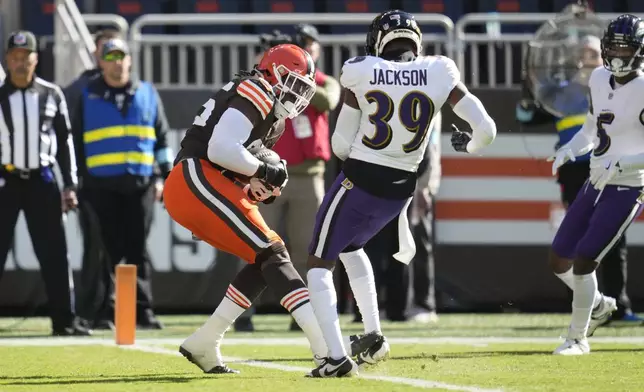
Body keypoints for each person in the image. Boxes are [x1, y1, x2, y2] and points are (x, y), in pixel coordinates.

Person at [305, 9, 497, 377]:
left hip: (360, 178)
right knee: (350, 248)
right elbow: (485, 130)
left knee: (317, 263)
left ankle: (334, 357)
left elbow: (341, 143)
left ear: (379, 41)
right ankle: (374, 337)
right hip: (401, 189)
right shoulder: (440, 71)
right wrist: (467, 145)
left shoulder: (359, 70)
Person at [163, 44, 374, 374]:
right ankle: (327, 351)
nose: (299, 95)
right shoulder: (257, 88)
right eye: (295, 83)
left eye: (304, 87)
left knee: (266, 260)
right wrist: (262, 170)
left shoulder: (273, 118)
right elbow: (220, 149)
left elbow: (235, 164)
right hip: (193, 177)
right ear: (273, 73)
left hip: (202, 184)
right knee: (273, 253)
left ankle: (206, 340)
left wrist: (258, 182)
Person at [519, 34, 639, 323]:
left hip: (621, 172)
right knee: (570, 246)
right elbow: (526, 116)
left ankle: (615, 306)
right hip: (579, 170)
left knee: (610, 243)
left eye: (592, 52)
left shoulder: (631, 87)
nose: (589, 58)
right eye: (584, 53)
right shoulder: (569, 89)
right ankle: (591, 303)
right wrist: (527, 92)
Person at [549, 14, 644, 355]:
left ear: (639, 51)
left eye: (625, 47)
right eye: (614, 46)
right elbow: (591, 128)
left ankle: (577, 338)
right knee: (559, 259)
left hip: (628, 185)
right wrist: (569, 149)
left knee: (586, 259)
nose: (618, 54)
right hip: (595, 179)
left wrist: (624, 162)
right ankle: (601, 304)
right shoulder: (599, 78)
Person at [236, 24, 341, 332]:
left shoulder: (323, 82)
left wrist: (296, 79)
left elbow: (327, 100)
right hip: (265, 175)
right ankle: (241, 312)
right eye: (299, 46)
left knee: (307, 249)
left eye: (310, 45)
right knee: (253, 243)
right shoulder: (268, 82)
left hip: (309, 177)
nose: (307, 51)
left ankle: (305, 314)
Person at [71, 38, 171, 329]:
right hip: (99, 187)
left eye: (121, 56)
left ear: (130, 60)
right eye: (110, 56)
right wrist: (78, 183)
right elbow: (75, 143)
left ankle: (142, 312)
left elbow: (162, 140)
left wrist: (164, 177)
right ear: (100, 62)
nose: (116, 62)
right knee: (106, 253)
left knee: (137, 250)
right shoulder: (87, 96)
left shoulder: (148, 93)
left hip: (140, 185)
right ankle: (105, 312)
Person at [0, 31, 90, 336]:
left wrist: (70, 185)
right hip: (5, 182)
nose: (20, 63)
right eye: (15, 57)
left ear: (36, 59)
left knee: (55, 253)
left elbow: (65, 141)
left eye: (26, 57)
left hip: (43, 180)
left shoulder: (52, 94)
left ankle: (65, 320)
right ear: (7, 59)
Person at [65, 28, 123, 330]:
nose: (111, 56)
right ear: (96, 54)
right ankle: (89, 310)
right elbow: (68, 136)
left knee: (119, 251)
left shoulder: (128, 87)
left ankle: (114, 311)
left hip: (121, 185)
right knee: (95, 249)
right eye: (105, 49)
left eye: (116, 50)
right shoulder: (81, 89)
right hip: (90, 183)